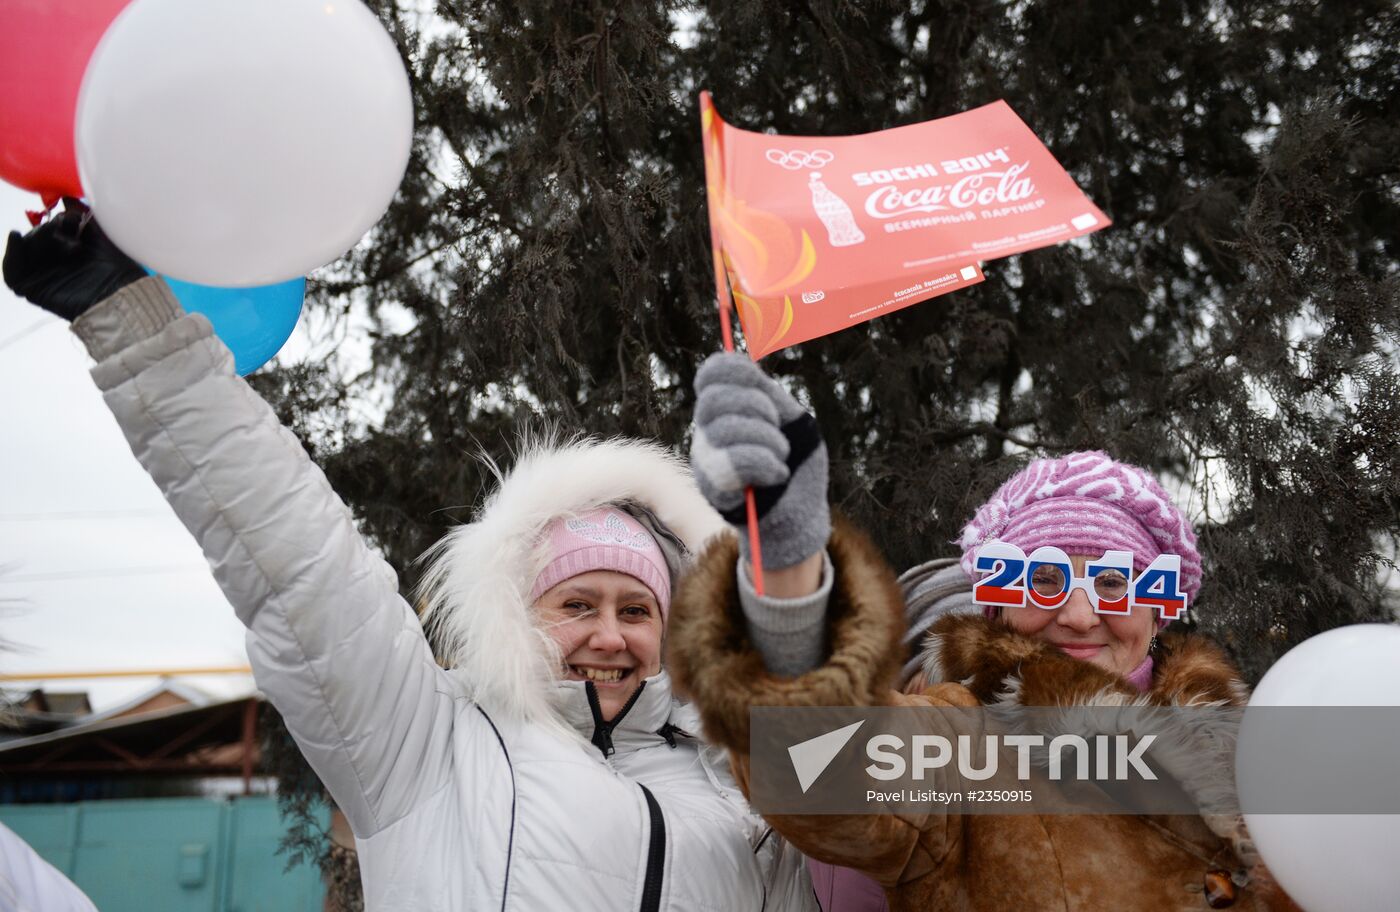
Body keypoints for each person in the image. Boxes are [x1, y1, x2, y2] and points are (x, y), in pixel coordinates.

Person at [2, 205, 818, 911]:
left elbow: (892, 807)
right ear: (517, 614)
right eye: (577, 604)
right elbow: (296, 554)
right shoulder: (429, 742)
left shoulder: (742, 779)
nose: (610, 635)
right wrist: (134, 326)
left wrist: (792, 564)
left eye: (636, 610)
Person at [669, 352, 1301, 911]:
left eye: (1114, 583)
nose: (1080, 616)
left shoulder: (1253, 750)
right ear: (996, 606)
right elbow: (816, 770)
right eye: (1043, 580)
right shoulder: (963, 745)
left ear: (1158, 610)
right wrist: (790, 575)